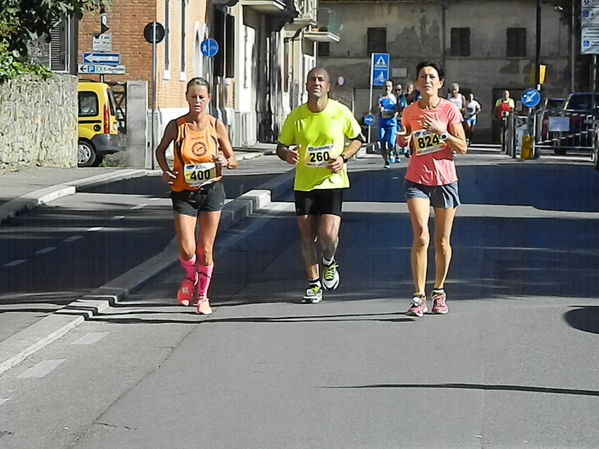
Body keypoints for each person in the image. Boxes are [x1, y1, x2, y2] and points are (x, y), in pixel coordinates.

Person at [276, 67, 364, 304]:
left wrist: (343, 157)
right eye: (312, 80)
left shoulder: (340, 112)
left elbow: (358, 139)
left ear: (328, 86)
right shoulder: (296, 117)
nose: (316, 83)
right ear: (306, 85)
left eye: (320, 80)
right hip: (304, 184)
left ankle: (328, 261)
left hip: (332, 181)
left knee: (327, 234)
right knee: (306, 236)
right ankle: (314, 285)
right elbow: (281, 146)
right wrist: (286, 155)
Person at [155, 77, 238, 315]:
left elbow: (232, 160)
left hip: (211, 191)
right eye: (193, 96)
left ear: (209, 99)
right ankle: (189, 278)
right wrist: (165, 171)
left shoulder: (216, 125)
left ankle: (202, 297)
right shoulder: (177, 126)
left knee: (206, 249)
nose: (198, 101)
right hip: (183, 192)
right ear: (187, 98)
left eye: (202, 97)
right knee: (187, 248)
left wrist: (225, 160)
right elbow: (160, 150)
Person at [396, 61, 467, 317]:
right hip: (417, 180)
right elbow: (405, 140)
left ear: (440, 83)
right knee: (422, 236)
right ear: (416, 83)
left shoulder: (449, 110)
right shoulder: (409, 112)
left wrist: (441, 132)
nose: (427, 80)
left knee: (443, 241)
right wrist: (402, 140)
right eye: (423, 76)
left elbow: (462, 147)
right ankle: (417, 297)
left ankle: (438, 291)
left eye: (432, 77)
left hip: (445, 181)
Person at [376, 80, 398, 168]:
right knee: (382, 142)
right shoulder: (379, 98)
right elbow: (373, 110)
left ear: (391, 88)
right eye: (385, 86)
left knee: (391, 143)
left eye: (389, 86)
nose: (387, 88)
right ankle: (386, 161)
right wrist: (378, 109)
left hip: (392, 124)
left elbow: (397, 110)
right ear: (382, 87)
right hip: (382, 123)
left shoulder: (394, 98)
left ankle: (391, 152)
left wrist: (393, 113)